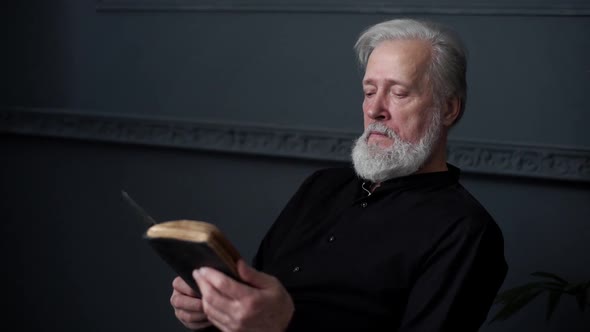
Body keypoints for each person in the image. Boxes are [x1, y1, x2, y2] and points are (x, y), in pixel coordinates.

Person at [170, 18, 508, 332]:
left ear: (448, 109)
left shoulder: (465, 230)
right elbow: (257, 299)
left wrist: (285, 322)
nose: (375, 110)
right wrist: (218, 310)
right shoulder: (321, 186)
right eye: (370, 91)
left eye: (399, 92)